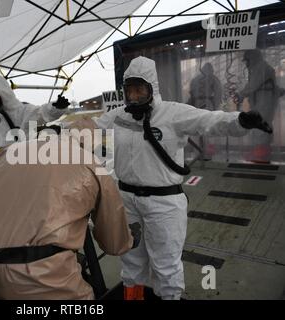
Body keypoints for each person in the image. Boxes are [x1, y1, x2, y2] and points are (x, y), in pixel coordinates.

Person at [70, 56, 272, 300]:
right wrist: (54, 134)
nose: (133, 96)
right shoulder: (119, 115)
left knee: (165, 266)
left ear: (152, 89)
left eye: (139, 90)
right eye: (129, 91)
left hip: (163, 204)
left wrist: (240, 121)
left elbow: (210, 120)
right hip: (127, 202)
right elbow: (89, 128)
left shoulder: (173, 114)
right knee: (131, 263)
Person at [0, 134, 134, 299]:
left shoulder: (15, 151)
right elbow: (113, 243)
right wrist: (129, 239)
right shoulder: (89, 162)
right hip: (40, 276)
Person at [0, 75, 69, 148]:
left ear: (3, 93)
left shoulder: (24, 112)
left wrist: (56, 107)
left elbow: (42, 113)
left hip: (19, 167)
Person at [237, 49, 280, 163]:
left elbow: (252, 85)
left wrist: (240, 96)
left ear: (253, 58)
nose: (246, 64)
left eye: (247, 61)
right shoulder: (259, 68)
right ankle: (262, 152)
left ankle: (260, 155)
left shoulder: (261, 68)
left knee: (260, 125)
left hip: (264, 101)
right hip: (263, 101)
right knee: (261, 125)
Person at [188, 62, 223, 159]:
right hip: (208, 105)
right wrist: (216, 107)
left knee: (198, 129)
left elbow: (191, 95)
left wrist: (190, 107)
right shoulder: (214, 79)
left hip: (196, 106)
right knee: (207, 129)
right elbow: (218, 94)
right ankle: (206, 153)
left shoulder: (195, 80)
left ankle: (199, 152)